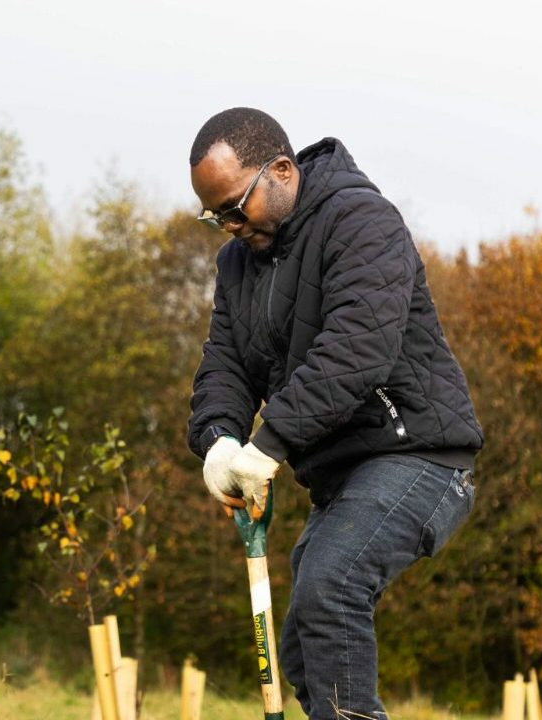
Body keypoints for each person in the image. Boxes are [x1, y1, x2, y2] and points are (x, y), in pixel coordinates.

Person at [184, 107, 484, 719]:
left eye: (236, 207)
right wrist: (218, 441)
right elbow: (226, 365)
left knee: (330, 587)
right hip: (343, 477)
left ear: (283, 170)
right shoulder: (237, 266)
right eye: (215, 216)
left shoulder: (363, 222)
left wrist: (268, 445)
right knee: (302, 648)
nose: (230, 226)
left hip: (418, 454)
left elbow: (357, 349)